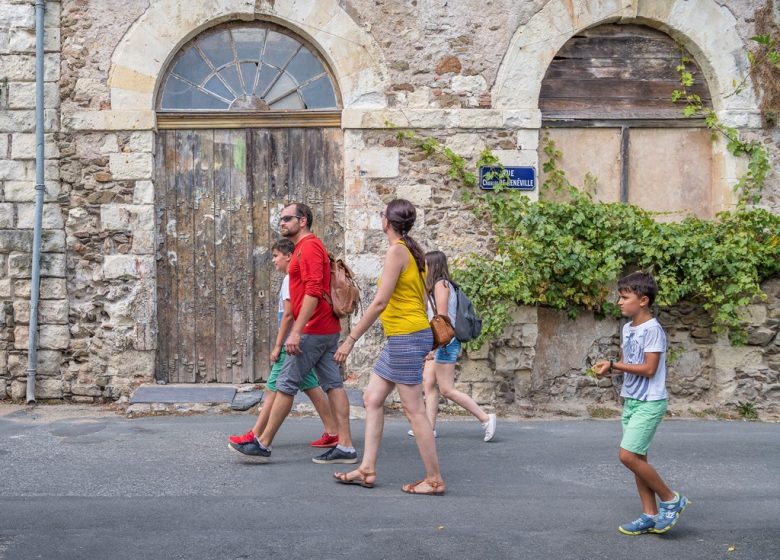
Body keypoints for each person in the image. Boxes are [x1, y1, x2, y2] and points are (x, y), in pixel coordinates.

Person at [333, 199, 445, 495]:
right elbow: (420, 300)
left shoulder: (398, 251)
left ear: (387, 222)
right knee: (372, 397)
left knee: (414, 410)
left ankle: (434, 479)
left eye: (382, 215)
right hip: (407, 336)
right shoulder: (414, 251)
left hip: (406, 337)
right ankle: (367, 469)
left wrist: (351, 338)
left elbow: (380, 302)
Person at [229, 203, 356, 464]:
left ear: (303, 220)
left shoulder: (309, 246)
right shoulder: (305, 247)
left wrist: (296, 332)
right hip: (325, 328)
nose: (282, 222)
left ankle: (262, 443)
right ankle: (345, 446)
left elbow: (313, 289)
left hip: (312, 329)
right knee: (333, 385)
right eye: (281, 219)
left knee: (285, 386)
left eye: (287, 218)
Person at [593, 271, 690, 535]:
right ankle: (650, 514)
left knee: (626, 456)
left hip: (650, 402)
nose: (619, 302)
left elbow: (648, 368)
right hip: (632, 401)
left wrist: (614, 363)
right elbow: (629, 362)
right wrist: (611, 368)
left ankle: (671, 499)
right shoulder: (628, 328)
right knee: (638, 459)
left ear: (643, 300)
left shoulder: (653, 330)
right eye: (620, 297)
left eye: (625, 297)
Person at [407, 250, 496, 442]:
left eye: (426, 265)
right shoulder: (440, 285)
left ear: (433, 266)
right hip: (440, 343)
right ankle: (429, 428)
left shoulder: (441, 285)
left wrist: (434, 347)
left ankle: (486, 418)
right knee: (428, 382)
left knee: (447, 389)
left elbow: (442, 320)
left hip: (445, 343)